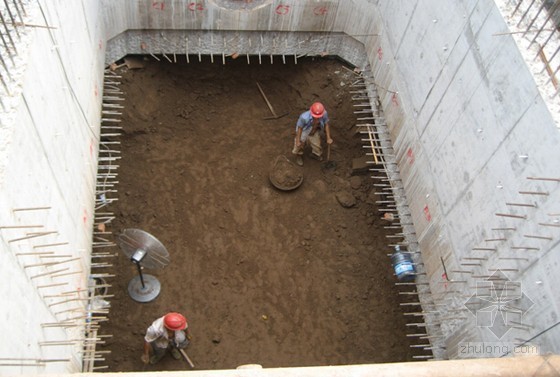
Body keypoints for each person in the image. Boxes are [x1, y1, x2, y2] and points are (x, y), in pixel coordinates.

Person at [292, 102, 333, 166]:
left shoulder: (324, 113)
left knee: (317, 145)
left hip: (315, 129)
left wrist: (328, 138)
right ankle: (299, 155)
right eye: (315, 117)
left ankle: (315, 154)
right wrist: (298, 140)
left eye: (318, 117)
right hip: (304, 130)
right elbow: (300, 129)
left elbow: (326, 125)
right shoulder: (304, 117)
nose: (317, 119)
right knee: (299, 145)